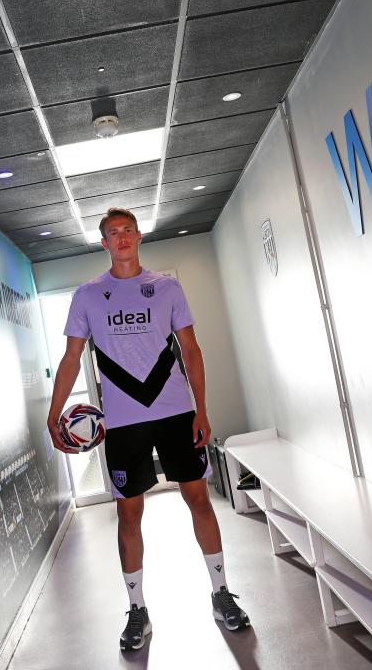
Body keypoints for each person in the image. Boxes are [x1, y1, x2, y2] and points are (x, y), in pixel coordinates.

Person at [46, 207, 250, 652]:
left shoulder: (167, 288)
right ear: (103, 244)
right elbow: (69, 359)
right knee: (128, 514)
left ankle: (221, 594)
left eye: (127, 231)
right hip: (123, 424)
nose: (121, 239)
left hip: (176, 413)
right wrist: (53, 413)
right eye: (112, 234)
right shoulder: (87, 296)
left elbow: (192, 351)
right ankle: (137, 609)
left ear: (139, 237)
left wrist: (202, 409)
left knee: (198, 499)